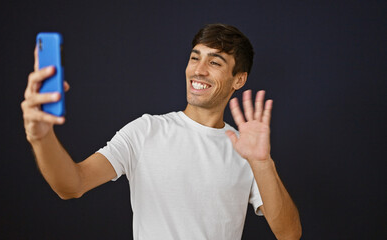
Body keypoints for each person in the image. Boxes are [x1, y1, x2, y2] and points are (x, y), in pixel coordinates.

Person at [21, 23, 302, 239]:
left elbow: (289, 234)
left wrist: (262, 163)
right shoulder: (145, 131)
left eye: (215, 62)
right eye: (195, 58)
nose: (199, 70)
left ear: (238, 79)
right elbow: (72, 185)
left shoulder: (247, 150)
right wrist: (41, 137)